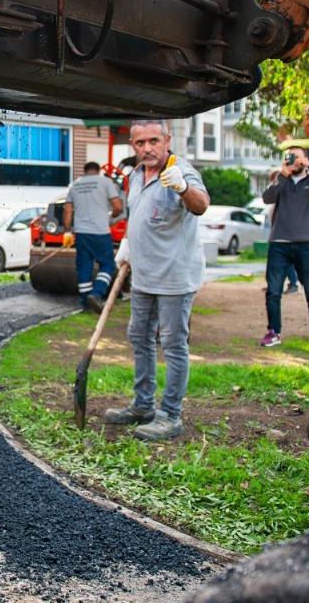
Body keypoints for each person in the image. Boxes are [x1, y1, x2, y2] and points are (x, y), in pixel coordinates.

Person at [104, 121, 210, 441]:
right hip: (144, 276)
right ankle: (143, 405)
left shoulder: (182, 171)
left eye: (153, 141)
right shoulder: (136, 175)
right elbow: (138, 216)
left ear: (167, 140)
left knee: (174, 345)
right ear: (132, 145)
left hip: (175, 277)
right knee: (139, 337)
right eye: (139, 143)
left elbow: (201, 205)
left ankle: (171, 415)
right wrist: (128, 245)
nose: (147, 148)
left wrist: (181, 188)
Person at [260, 146, 309, 346]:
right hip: (279, 244)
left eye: (297, 156)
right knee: (273, 290)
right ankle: (273, 332)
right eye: (290, 156)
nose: (293, 160)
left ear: (305, 158)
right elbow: (267, 197)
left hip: (306, 244)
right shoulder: (281, 180)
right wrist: (282, 176)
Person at [62, 162, 125, 312]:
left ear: (85, 171)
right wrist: (112, 216)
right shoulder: (105, 182)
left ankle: (85, 303)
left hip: (81, 233)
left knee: (84, 267)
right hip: (101, 232)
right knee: (108, 265)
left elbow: (68, 211)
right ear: (97, 171)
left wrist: (67, 231)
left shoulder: (74, 185)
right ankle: (96, 294)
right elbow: (117, 206)